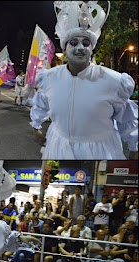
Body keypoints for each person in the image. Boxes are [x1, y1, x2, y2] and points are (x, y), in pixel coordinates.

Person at [30, 1, 138, 160]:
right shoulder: (49, 78)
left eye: (86, 43)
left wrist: (135, 148)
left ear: (91, 48)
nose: (80, 47)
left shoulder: (113, 81)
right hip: (58, 146)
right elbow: (41, 103)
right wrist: (36, 127)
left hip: (100, 151)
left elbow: (128, 119)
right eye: (73, 42)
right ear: (65, 49)